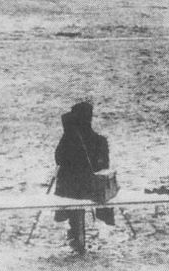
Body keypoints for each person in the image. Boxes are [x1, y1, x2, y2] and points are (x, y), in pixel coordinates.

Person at [54, 102, 114, 239]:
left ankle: (75, 230)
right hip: (95, 190)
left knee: (71, 187)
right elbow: (104, 166)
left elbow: (58, 159)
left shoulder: (69, 140)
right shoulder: (100, 141)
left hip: (72, 191)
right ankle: (84, 229)